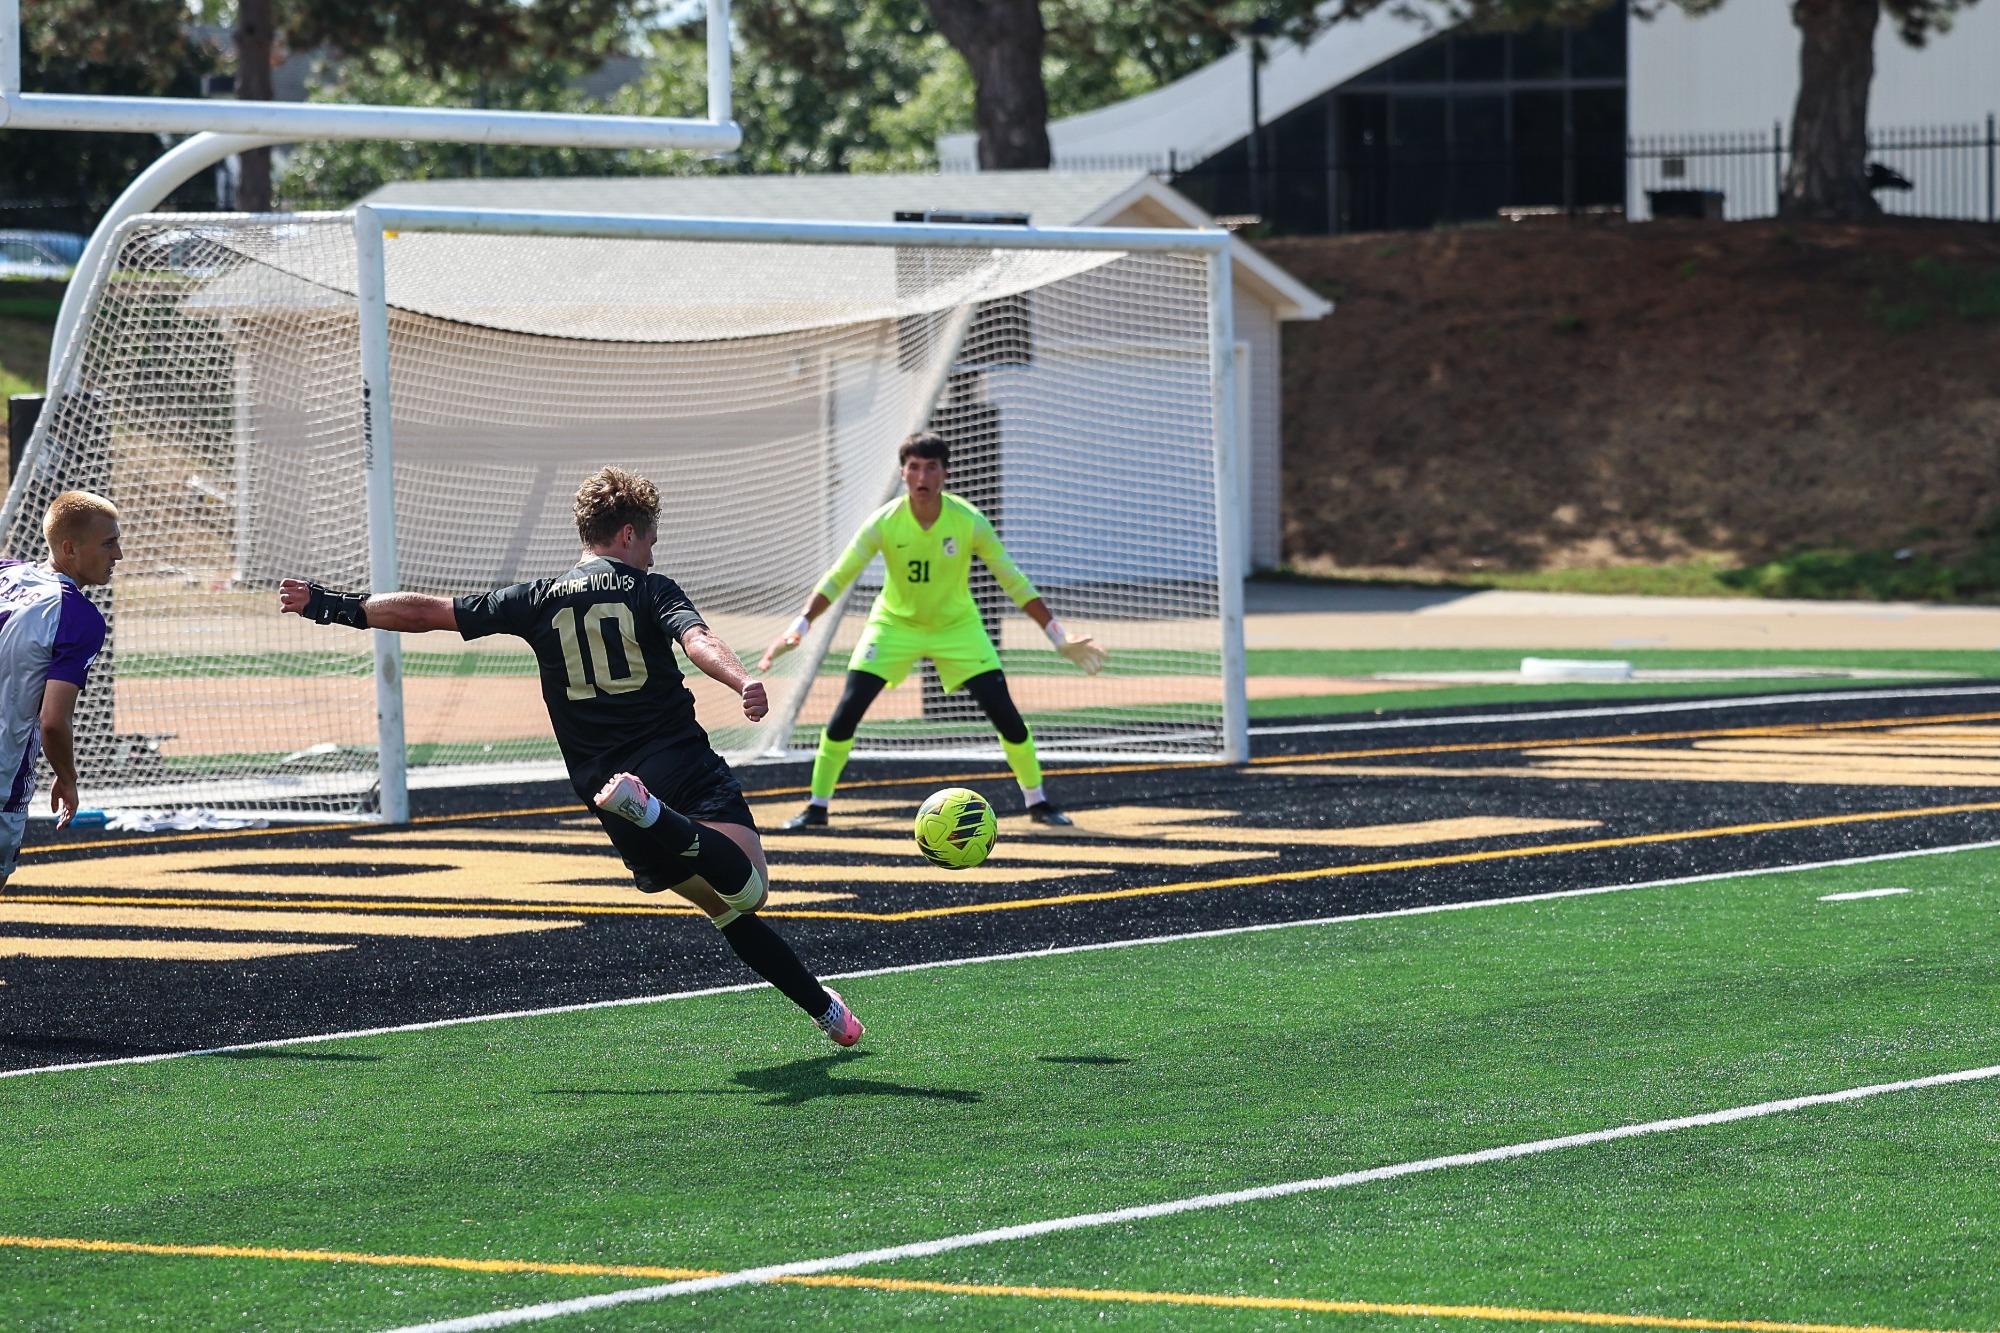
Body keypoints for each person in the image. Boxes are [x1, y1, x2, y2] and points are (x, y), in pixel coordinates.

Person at [279, 467, 861, 1046]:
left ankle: (825, 1010)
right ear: (628, 534)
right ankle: (656, 813)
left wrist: (330, 604)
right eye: (651, 541)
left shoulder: (535, 598)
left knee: (724, 909)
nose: (653, 556)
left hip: (604, 785)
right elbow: (697, 639)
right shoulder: (651, 589)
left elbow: (430, 612)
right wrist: (741, 681)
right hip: (676, 762)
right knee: (750, 891)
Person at [759, 431, 1105, 831]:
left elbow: (1013, 580)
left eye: (931, 467)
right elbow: (838, 577)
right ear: (902, 473)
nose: (922, 476)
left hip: (957, 628)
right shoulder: (884, 522)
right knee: (845, 714)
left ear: (945, 473)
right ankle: (817, 808)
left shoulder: (968, 521)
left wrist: (1057, 635)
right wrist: (799, 626)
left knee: (1006, 716)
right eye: (914, 467)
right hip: (894, 625)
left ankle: (1038, 803)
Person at [0, 491, 120, 883]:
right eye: (108, 543)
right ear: (69, 549)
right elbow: (52, 721)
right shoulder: (77, 616)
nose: (118, 555)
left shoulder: (5, 572)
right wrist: (68, 779)